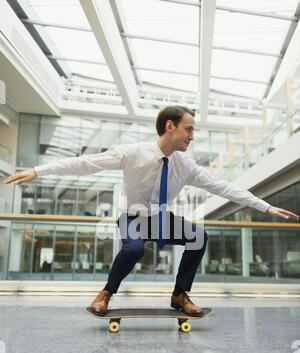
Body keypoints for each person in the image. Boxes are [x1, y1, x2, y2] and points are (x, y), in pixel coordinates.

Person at [4, 106, 299, 317]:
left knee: (198, 236)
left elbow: (223, 187)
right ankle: (107, 292)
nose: (192, 136)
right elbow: (86, 164)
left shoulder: (185, 164)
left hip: (161, 219)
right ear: (170, 126)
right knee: (133, 250)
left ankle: (179, 294)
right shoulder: (132, 152)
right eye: (188, 129)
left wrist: (265, 206)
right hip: (132, 215)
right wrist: (38, 170)